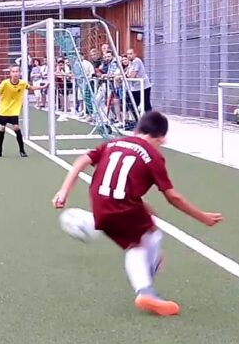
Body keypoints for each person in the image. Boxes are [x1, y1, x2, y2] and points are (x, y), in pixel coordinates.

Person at [51, 111, 222, 316]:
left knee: (149, 225)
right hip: (122, 205)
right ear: (161, 138)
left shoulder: (114, 143)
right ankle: (145, 290)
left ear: (137, 130)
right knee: (140, 243)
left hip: (99, 203)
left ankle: (149, 271)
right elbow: (173, 197)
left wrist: (63, 191)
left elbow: (81, 161)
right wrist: (202, 217)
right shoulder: (154, 156)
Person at [0, 65, 38, 158]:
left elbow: (31, 87)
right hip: (4, 110)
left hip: (14, 110)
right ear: (10, 73)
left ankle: (22, 150)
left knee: (16, 128)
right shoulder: (5, 83)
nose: (15, 73)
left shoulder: (22, 83)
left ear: (19, 73)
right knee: (2, 128)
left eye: (17, 71)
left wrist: (43, 87)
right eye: (13, 72)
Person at [126, 48, 152, 113]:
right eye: (128, 54)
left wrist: (127, 76)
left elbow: (133, 75)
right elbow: (127, 73)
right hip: (135, 87)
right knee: (133, 106)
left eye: (131, 54)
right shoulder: (130, 63)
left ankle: (151, 118)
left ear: (135, 54)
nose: (129, 55)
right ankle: (137, 118)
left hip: (144, 87)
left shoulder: (137, 61)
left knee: (146, 105)